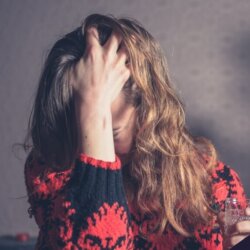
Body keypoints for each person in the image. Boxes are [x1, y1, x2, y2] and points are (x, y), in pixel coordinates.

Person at [24, 14, 250, 249]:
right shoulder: (49, 167)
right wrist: (92, 108)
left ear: (149, 112)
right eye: (81, 134)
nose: (88, 147)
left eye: (109, 134)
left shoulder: (212, 185)